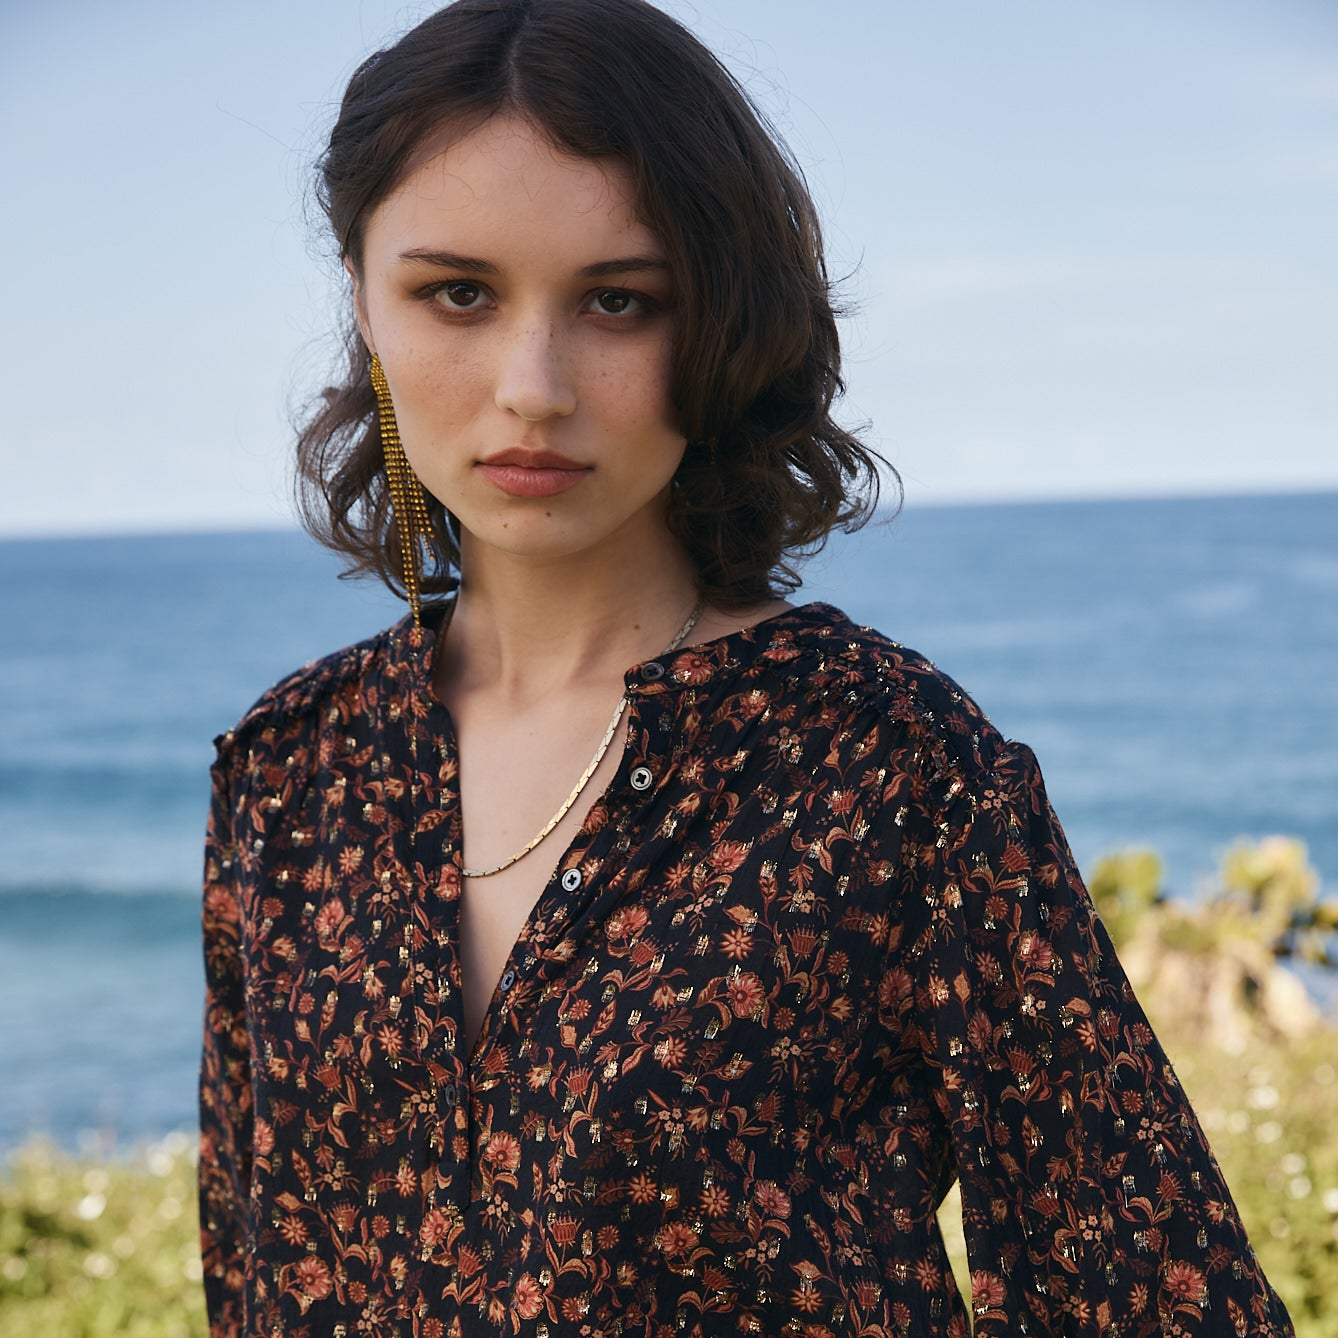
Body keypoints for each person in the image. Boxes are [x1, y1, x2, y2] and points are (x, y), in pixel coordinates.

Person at [197, 1, 1294, 1334]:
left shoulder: (888, 765)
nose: (531, 382)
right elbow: (257, 1275)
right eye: (458, 294)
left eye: (618, 300)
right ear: (367, 307)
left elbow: (1140, 1283)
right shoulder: (289, 770)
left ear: (720, 324)